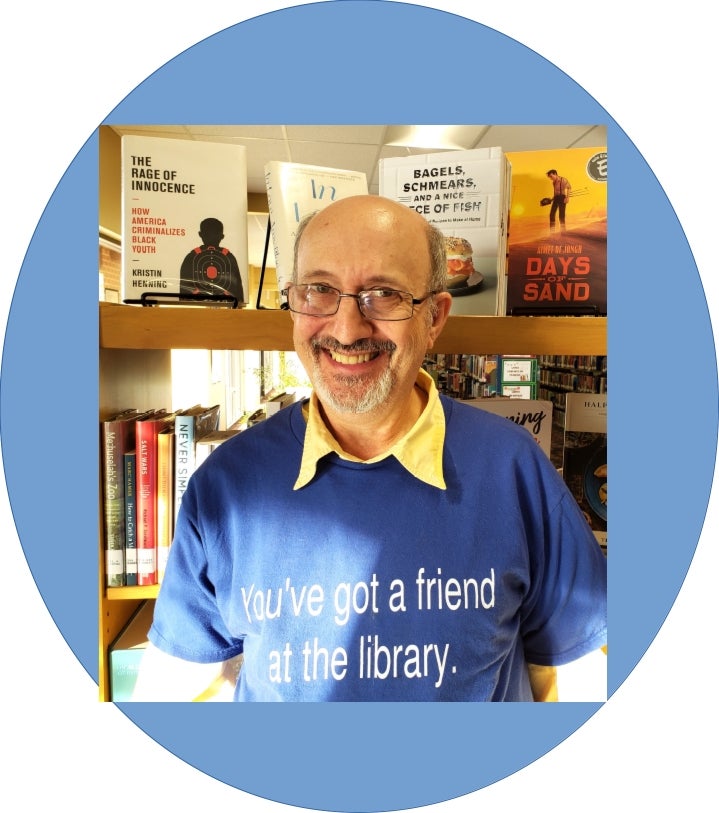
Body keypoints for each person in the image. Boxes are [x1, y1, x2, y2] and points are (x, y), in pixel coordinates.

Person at [134, 195, 607, 702]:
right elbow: (181, 688)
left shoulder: (514, 470)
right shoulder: (226, 484)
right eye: (319, 289)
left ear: (435, 318)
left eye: (383, 294)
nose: (346, 330)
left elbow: (577, 679)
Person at [179, 216, 245, 304]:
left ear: (200, 234)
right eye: (208, 234)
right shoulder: (229, 257)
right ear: (222, 236)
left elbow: (184, 295)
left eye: (214, 234)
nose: (211, 237)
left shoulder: (191, 257)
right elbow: (238, 294)